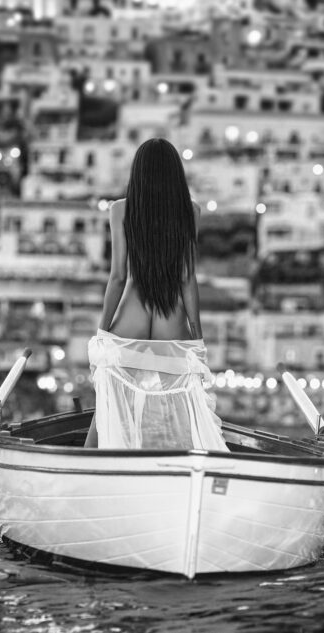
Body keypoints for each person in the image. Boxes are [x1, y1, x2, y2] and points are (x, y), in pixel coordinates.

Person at [85, 138, 227, 451]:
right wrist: (196, 339)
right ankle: (191, 465)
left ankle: (88, 465)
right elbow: (188, 277)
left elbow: (119, 276)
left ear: (139, 172)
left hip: (133, 313)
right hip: (171, 314)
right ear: (175, 174)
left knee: (108, 394)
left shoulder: (120, 210)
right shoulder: (190, 211)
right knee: (186, 402)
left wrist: (103, 330)